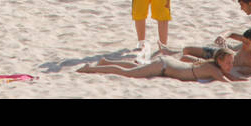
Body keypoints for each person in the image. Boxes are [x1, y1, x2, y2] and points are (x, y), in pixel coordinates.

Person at [77, 48, 238, 83]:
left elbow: (229, 75)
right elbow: (229, 81)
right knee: (128, 73)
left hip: (167, 65)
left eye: (231, 63)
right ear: (219, 61)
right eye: (228, 62)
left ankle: (106, 62)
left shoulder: (212, 66)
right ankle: (90, 69)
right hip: (164, 67)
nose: (230, 65)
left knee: (133, 68)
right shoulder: (212, 69)